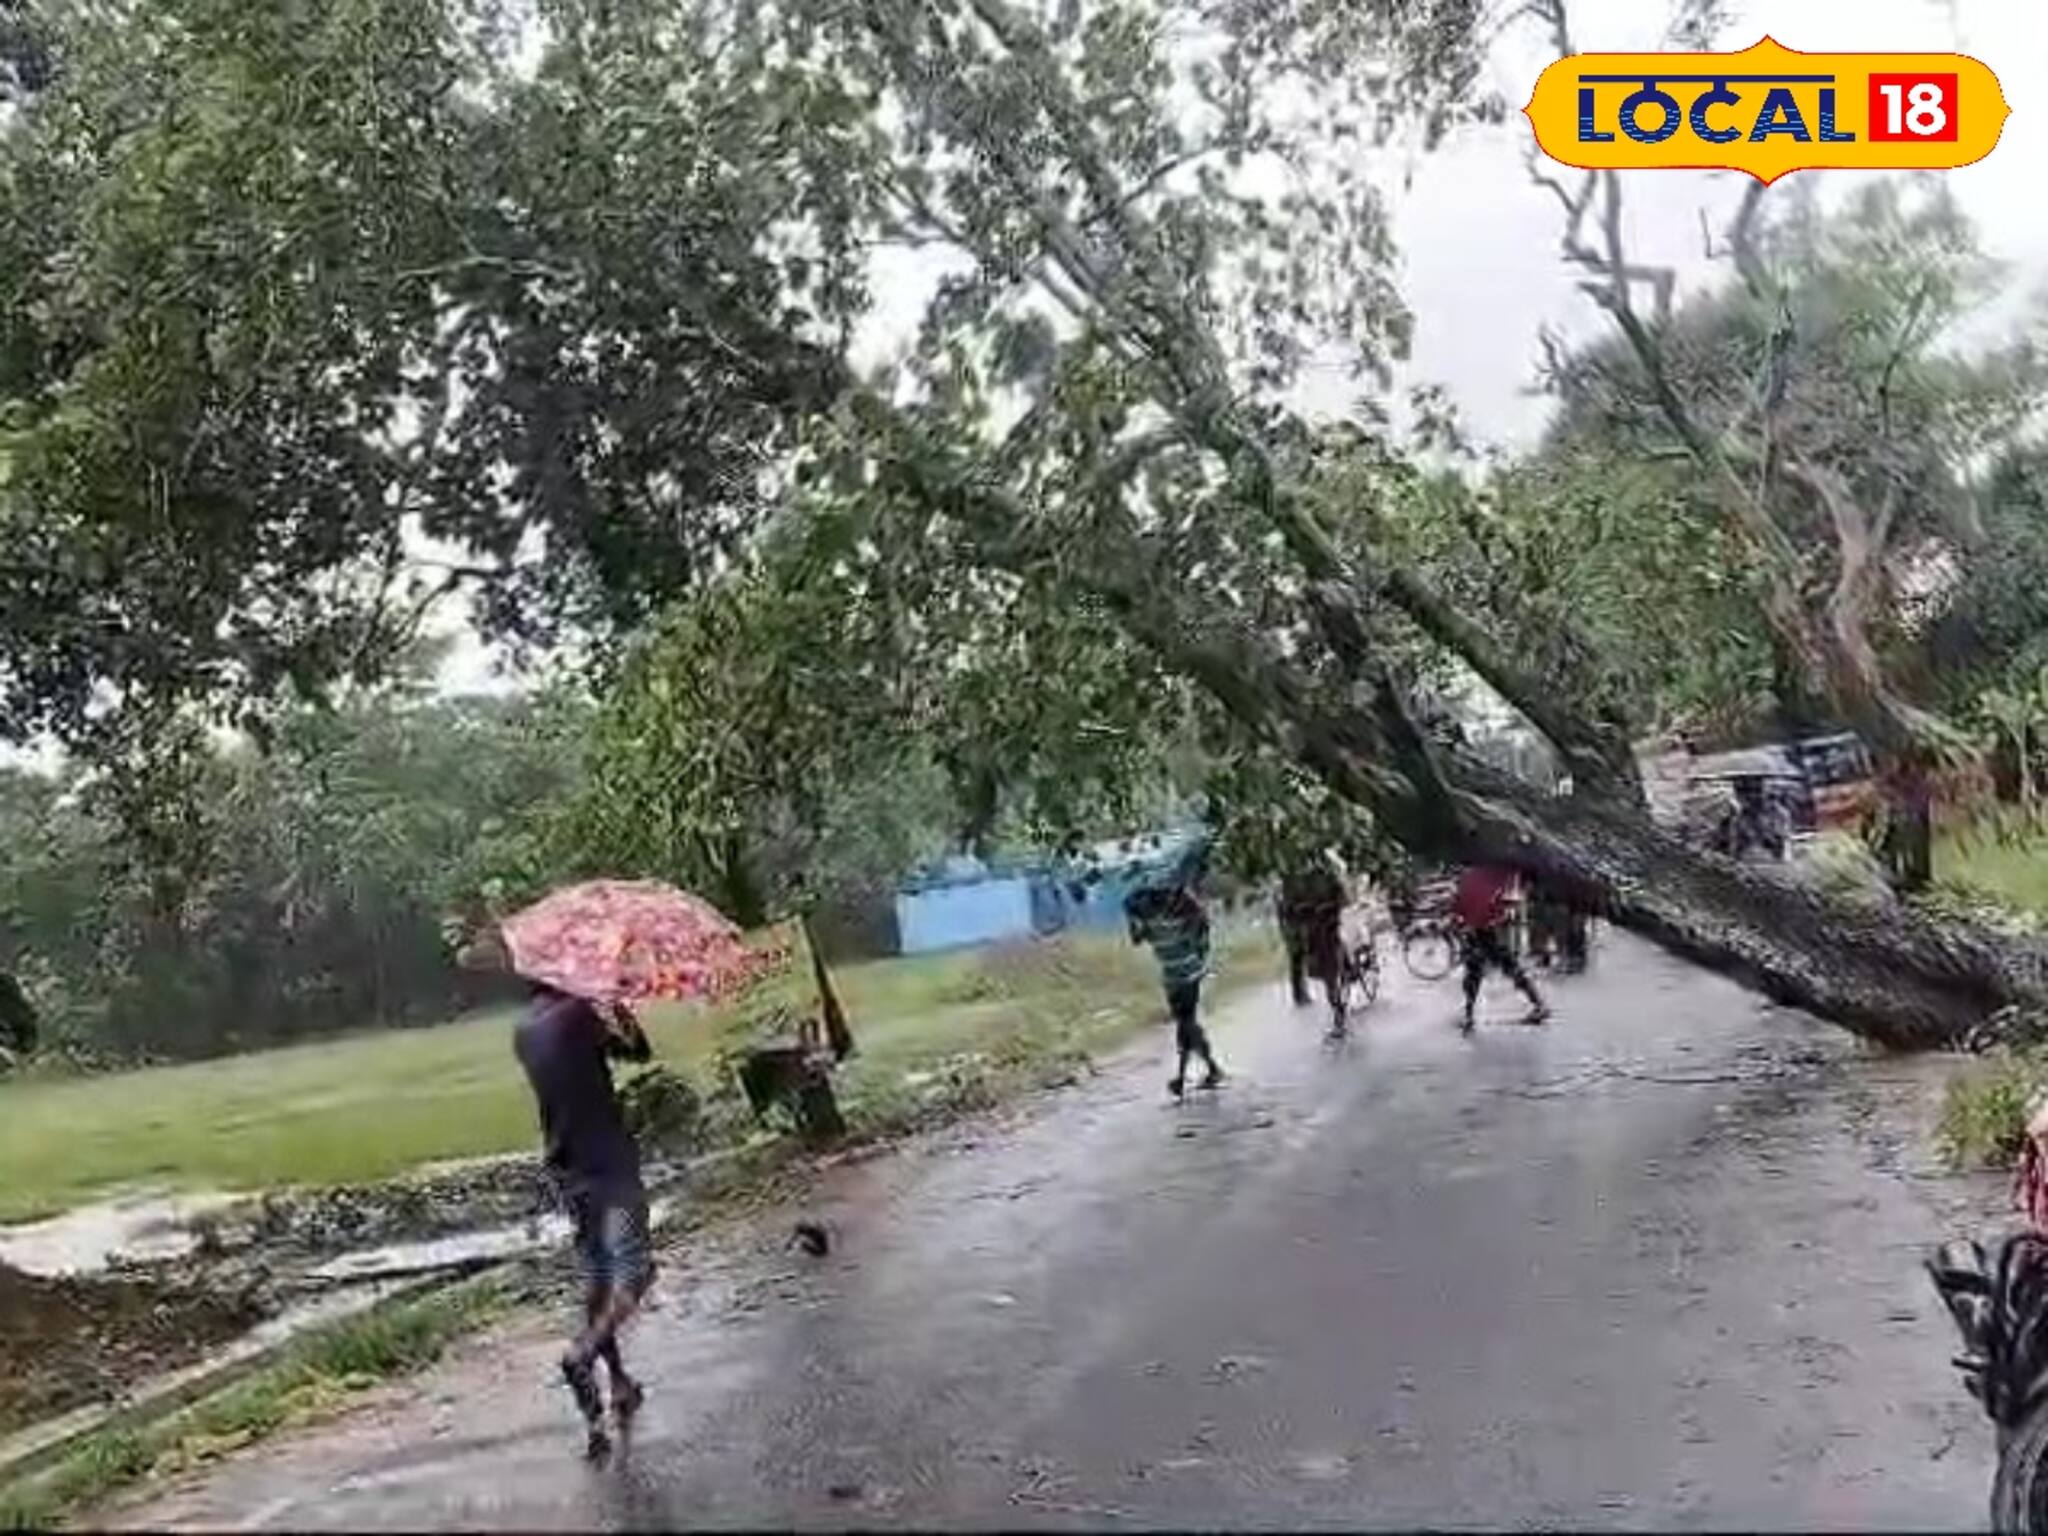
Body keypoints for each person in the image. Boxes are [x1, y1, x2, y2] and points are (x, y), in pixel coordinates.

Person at [513, 983, 657, 1462]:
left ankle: (617, 1382)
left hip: (565, 1166)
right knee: (634, 1271)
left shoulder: (525, 1030)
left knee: (596, 1273)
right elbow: (638, 1051)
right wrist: (616, 1006)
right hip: (609, 1159)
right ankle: (584, 1353)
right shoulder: (581, 1014)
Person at [1126, 879, 1225, 1099]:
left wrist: (1136, 919)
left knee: (1185, 1023)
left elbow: (1138, 938)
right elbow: (1137, 938)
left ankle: (1183, 1076)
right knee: (1187, 1025)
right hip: (1173, 976)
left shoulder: (1171, 917)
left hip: (1187, 974)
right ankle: (1211, 1069)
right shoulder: (1166, 917)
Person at [1450, 862, 1549, 1032]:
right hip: (1484, 930)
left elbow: (1462, 907)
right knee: (1502, 968)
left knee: (1478, 972)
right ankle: (1537, 1004)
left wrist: (1463, 922)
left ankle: (1468, 1015)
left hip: (1482, 931)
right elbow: (1501, 902)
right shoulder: (1485, 875)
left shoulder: (1474, 878)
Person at [1277, 855, 1351, 1036]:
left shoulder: (1327, 876)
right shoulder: (1293, 883)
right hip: (1311, 932)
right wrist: (1298, 910)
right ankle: (1335, 1007)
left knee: (1331, 974)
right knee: (1322, 974)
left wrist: (1329, 907)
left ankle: (1338, 1013)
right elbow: (1287, 909)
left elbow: (1343, 898)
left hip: (1329, 927)